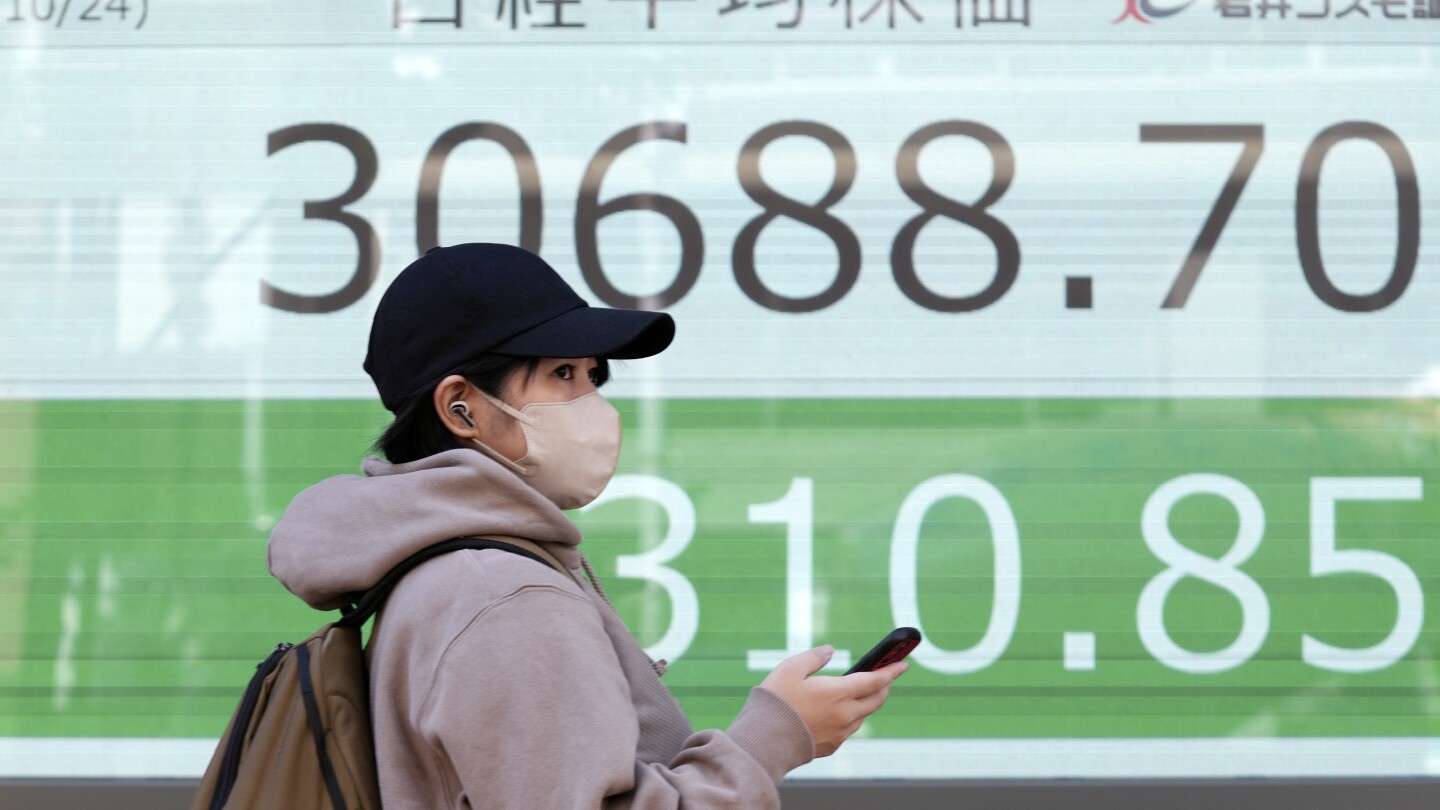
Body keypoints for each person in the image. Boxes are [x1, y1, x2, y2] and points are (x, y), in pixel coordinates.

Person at [267, 243, 908, 809]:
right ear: (460, 408)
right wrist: (775, 736)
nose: (593, 401)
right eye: (561, 375)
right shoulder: (504, 597)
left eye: (593, 375)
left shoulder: (446, 567)